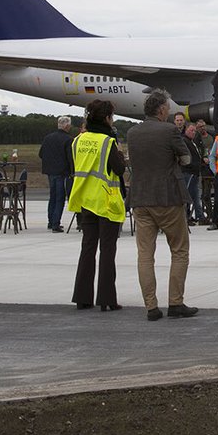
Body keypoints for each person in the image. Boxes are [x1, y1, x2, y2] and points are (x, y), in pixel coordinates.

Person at [128, 90, 198, 321]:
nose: (169, 112)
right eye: (167, 108)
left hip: (140, 198)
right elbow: (187, 159)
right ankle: (175, 303)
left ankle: (151, 306)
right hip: (168, 197)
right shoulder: (169, 130)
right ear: (161, 110)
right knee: (179, 250)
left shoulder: (132, 132)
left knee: (145, 254)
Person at [68, 100, 126, 311]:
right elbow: (119, 169)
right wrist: (120, 154)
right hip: (105, 201)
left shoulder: (78, 141)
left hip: (85, 200)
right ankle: (107, 299)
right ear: (107, 118)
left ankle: (82, 297)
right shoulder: (107, 142)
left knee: (87, 248)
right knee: (107, 250)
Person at [38, 115, 74, 233]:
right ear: (67, 126)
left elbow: (41, 154)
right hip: (61, 172)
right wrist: (72, 172)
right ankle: (55, 224)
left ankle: (50, 221)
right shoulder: (69, 139)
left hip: (50, 171)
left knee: (52, 196)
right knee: (60, 198)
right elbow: (70, 158)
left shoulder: (48, 138)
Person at [182, 122, 206, 225]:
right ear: (186, 130)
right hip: (189, 172)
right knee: (188, 195)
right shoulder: (184, 141)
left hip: (195, 172)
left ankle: (200, 216)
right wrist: (191, 166)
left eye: (194, 131)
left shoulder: (193, 142)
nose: (193, 133)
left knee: (196, 196)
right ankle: (186, 217)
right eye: (191, 130)